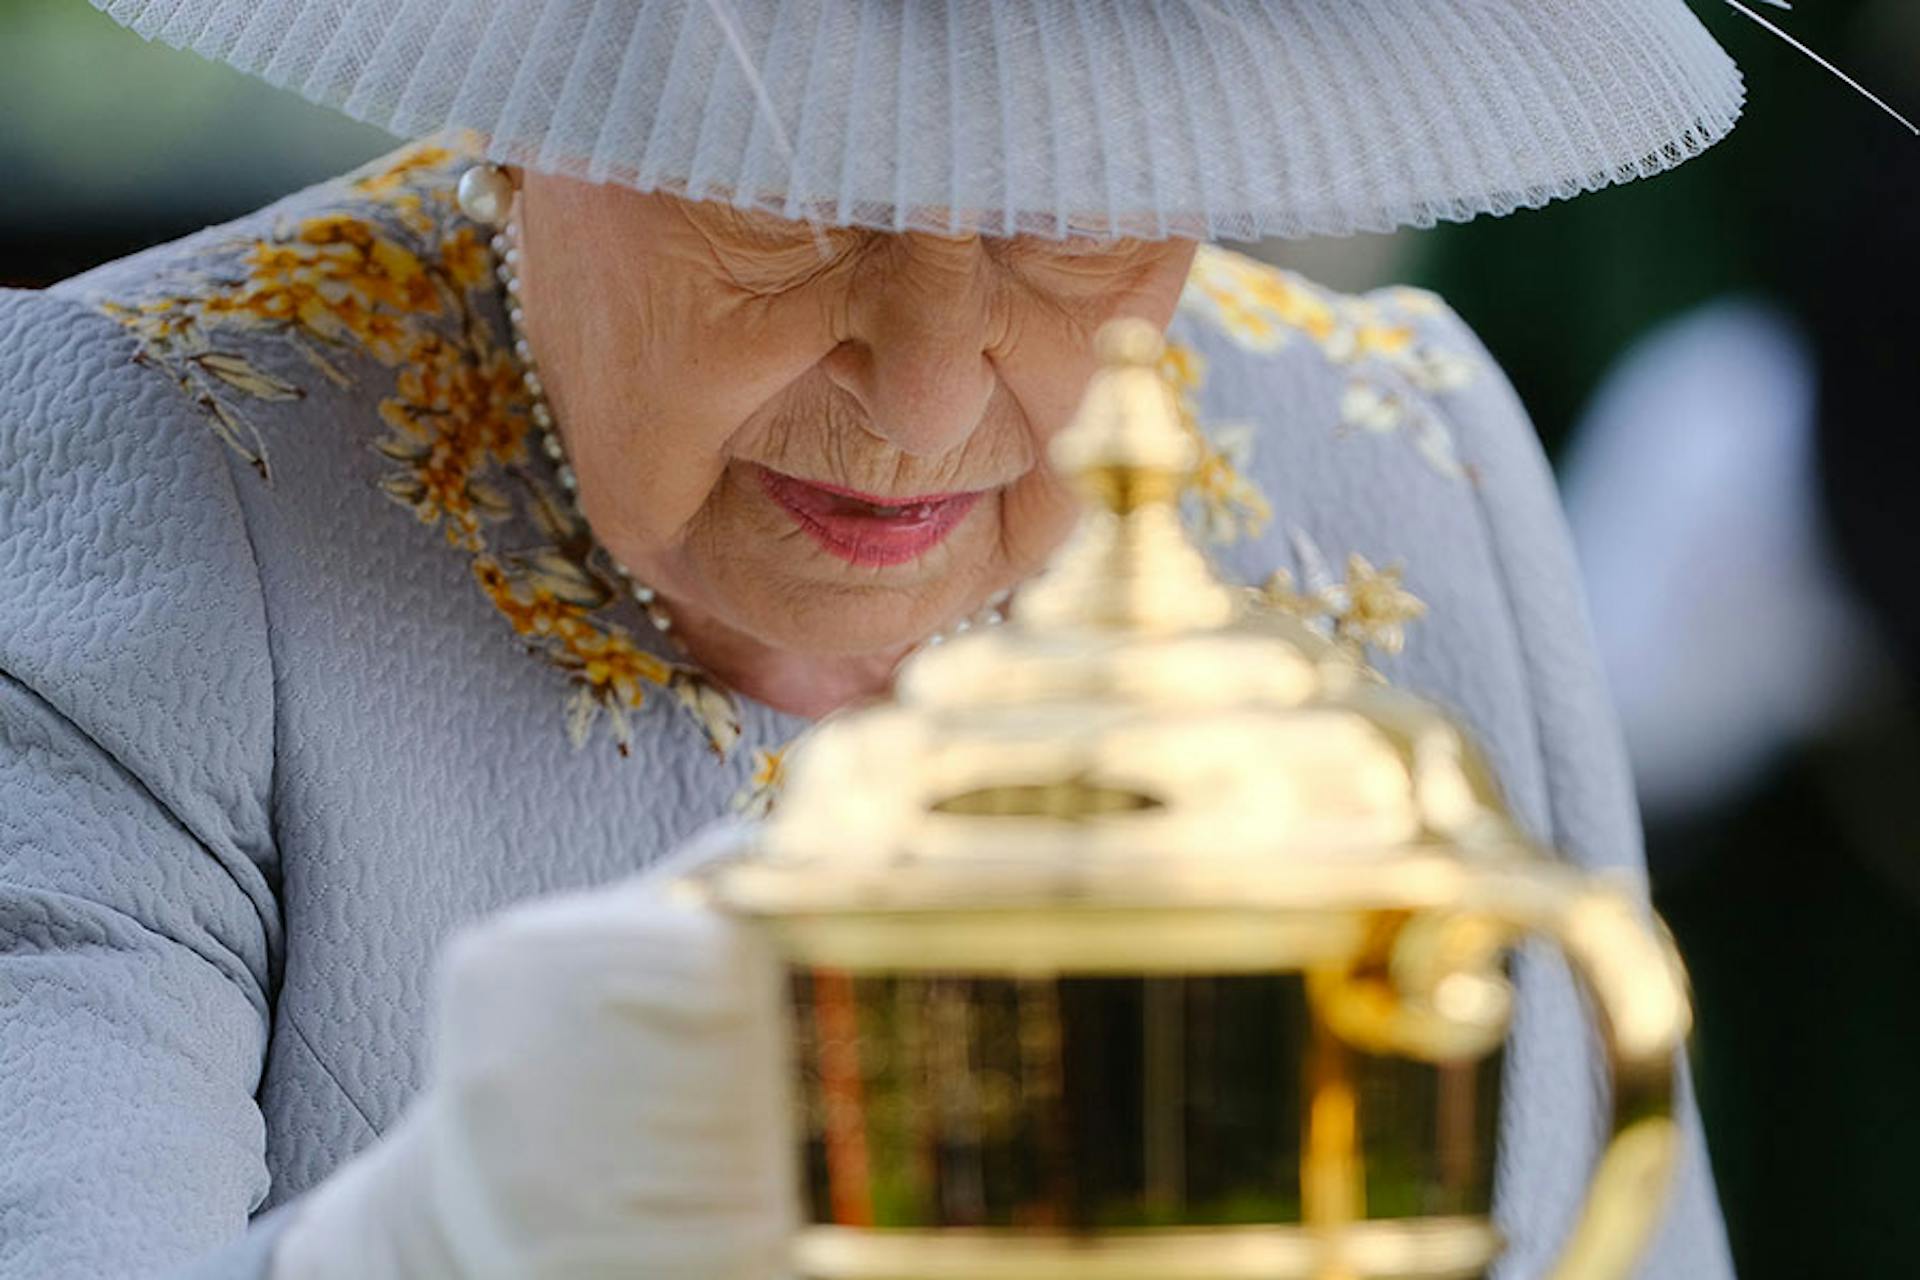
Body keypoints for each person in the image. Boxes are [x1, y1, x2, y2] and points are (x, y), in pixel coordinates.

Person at [0, 3, 1742, 1276]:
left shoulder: (1394, 456)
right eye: (785, 193)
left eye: (1072, 213)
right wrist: (447, 1231)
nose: (921, 400)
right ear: (529, 102)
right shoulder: (155, 468)